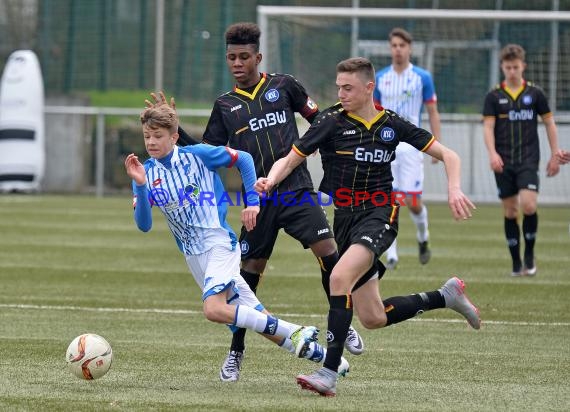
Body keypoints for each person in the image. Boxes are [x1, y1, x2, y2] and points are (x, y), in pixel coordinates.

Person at [149, 22, 364, 382]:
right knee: (246, 278)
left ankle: (338, 324)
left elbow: (320, 120)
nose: (237, 63)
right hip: (258, 201)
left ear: (258, 57)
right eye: (231, 57)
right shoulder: (225, 106)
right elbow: (206, 153)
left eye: (244, 57)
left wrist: (334, 145)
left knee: (329, 251)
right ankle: (236, 352)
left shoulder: (284, 86)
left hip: (296, 188)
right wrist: (174, 131)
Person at [255, 57, 480, 397]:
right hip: (344, 219)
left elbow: (450, 156)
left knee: (338, 277)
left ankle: (328, 372)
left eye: (348, 87)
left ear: (368, 87)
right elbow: (292, 158)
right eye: (338, 87)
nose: (341, 93)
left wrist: (454, 188)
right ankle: (446, 296)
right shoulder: (330, 121)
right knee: (373, 317)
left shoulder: (392, 124)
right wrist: (269, 181)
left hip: (379, 213)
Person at [124, 105, 351, 379]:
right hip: (194, 257)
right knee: (261, 320)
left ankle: (295, 330)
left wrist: (253, 204)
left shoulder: (198, 155)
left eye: (157, 135)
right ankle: (331, 361)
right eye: (147, 135)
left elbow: (243, 158)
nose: (150, 142)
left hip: (218, 244)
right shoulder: (145, 171)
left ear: (173, 137)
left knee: (214, 309)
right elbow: (144, 225)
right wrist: (139, 183)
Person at [483, 44, 570, 276]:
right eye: (508, 67)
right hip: (504, 160)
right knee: (511, 212)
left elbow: (549, 123)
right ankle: (515, 262)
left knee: (529, 205)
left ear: (523, 66)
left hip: (528, 159)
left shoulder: (535, 94)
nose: (512, 71)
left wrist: (555, 153)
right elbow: (488, 126)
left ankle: (529, 254)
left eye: (516, 67)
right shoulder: (494, 96)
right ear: (502, 67)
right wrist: (492, 153)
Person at [373, 27, 442, 270]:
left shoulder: (422, 77)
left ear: (409, 48)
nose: (398, 50)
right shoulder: (381, 78)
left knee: (412, 201)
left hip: (412, 147)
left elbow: (433, 111)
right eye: (394, 45)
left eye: (402, 45)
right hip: (386, 147)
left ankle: (423, 237)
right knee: (389, 199)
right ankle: (391, 253)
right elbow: (375, 114)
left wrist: (437, 146)